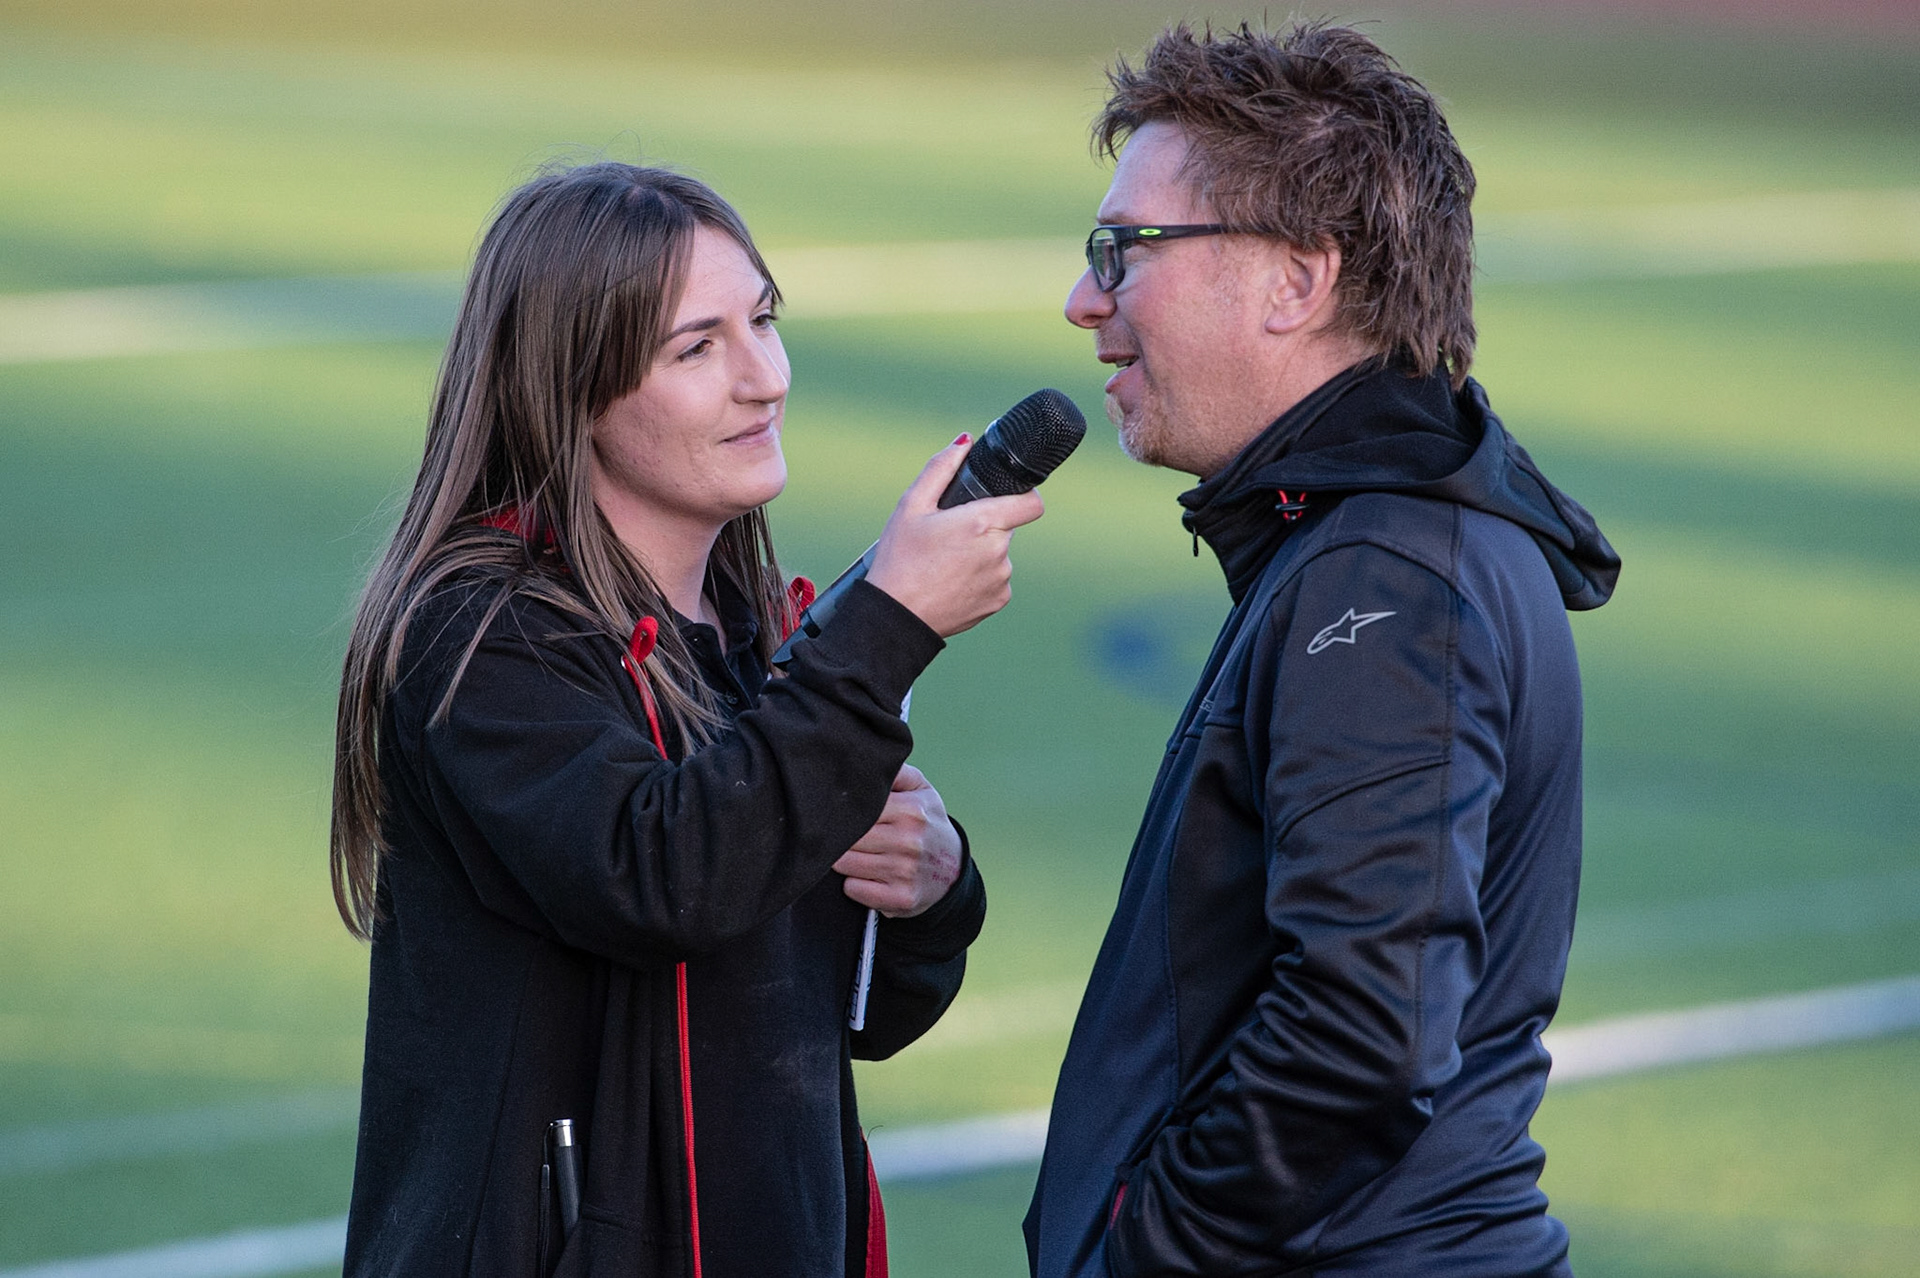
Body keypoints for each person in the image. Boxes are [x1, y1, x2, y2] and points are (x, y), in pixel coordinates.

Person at [329, 161, 1043, 1277]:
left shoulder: (765, 631)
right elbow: (669, 875)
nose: (763, 378)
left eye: (763, 320)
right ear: (570, 387)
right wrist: (889, 626)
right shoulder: (480, 634)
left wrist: (932, 891)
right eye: (695, 347)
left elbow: (845, 1018)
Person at [1026, 22, 1620, 1278]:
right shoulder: (1387, 539)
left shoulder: (1385, 580)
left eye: (1124, 251)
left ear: (1296, 283)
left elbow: (1366, 1029)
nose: (1087, 298)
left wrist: (1152, 1252)